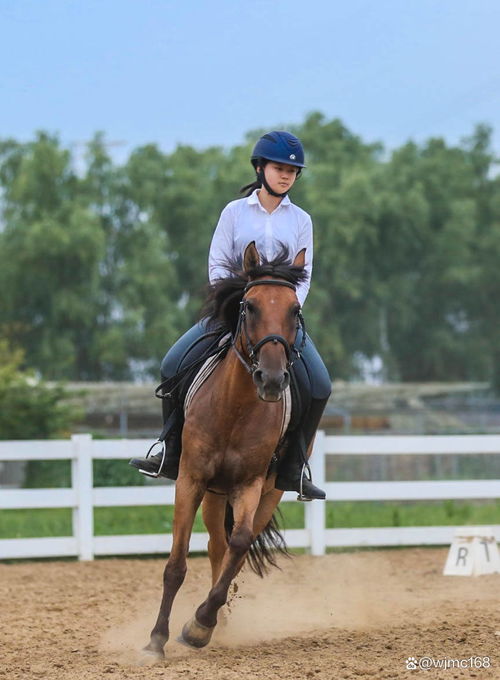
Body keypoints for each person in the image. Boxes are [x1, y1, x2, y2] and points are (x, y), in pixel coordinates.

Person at [130, 131, 332, 500]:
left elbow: (304, 276)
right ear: (260, 168)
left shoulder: (302, 220)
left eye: (292, 170)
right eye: (278, 168)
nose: (286, 175)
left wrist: (285, 310)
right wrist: (239, 304)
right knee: (172, 363)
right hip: (233, 313)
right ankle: (169, 452)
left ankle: (294, 467)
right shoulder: (234, 213)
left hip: (279, 322)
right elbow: (218, 264)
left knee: (320, 384)